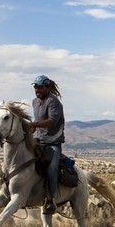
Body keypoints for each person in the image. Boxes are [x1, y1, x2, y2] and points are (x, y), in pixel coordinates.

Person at [28, 75, 65, 215]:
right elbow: (37, 122)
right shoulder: (34, 102)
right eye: (35, 87)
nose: (37, 89)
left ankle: (50, 199)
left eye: (40, 87)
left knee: (52, 167)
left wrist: (35, 124)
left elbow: (51, 122)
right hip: (38, 140)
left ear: (48, 88)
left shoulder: (54, 102)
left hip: (53, 142)